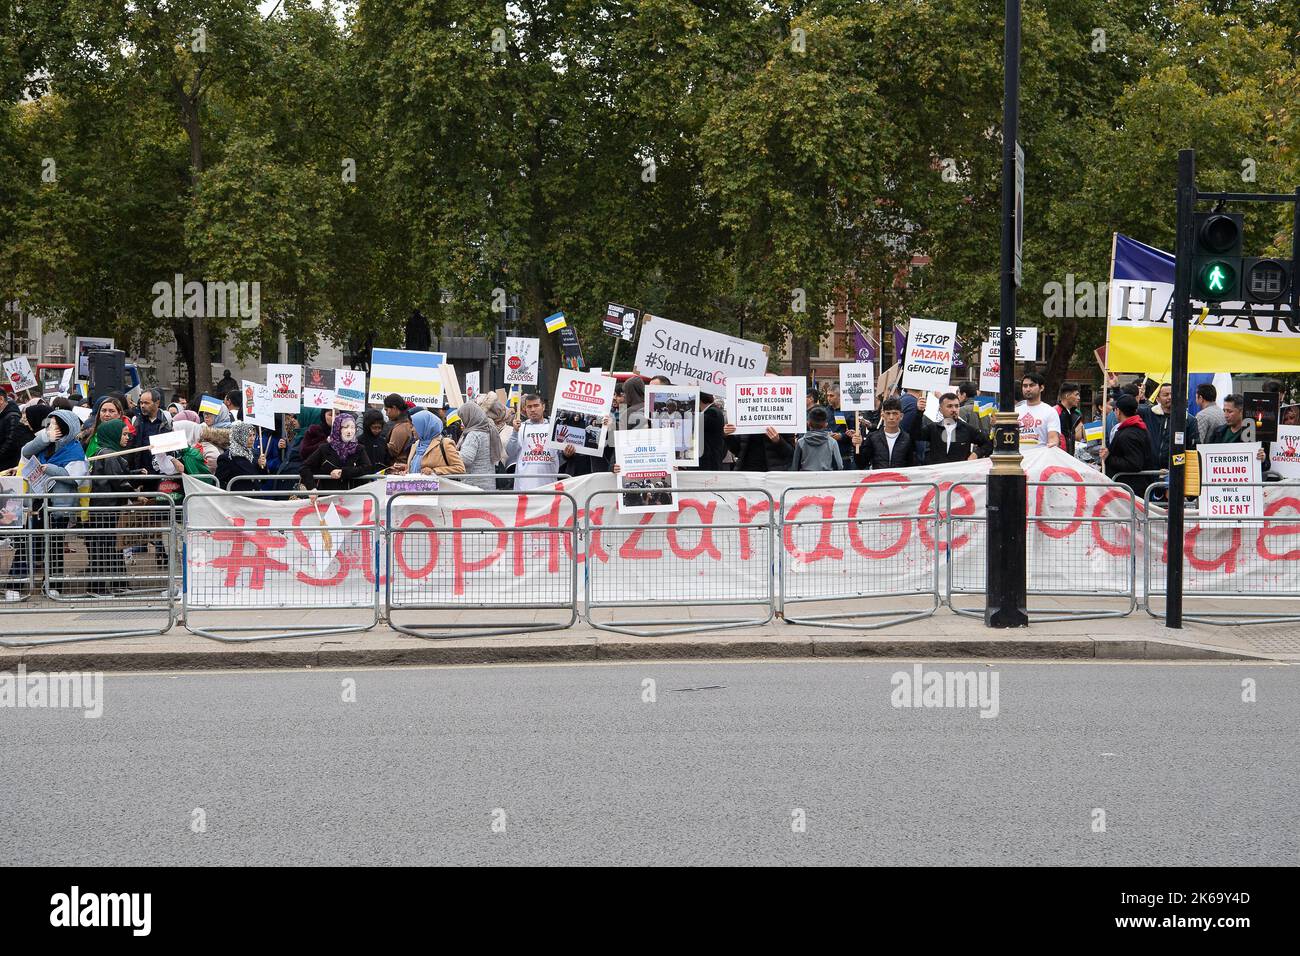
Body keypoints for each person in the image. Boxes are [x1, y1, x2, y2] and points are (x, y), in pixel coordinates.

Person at [85, 419, 133, 595]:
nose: (127, 438)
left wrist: (134, 474)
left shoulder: (105, 452)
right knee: (104, 548)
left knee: (106, 548)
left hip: (103, 507)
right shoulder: (109, 454)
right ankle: (97, 587)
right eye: (124, 434)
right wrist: (136, 492)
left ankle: (111, 584)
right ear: (113, 434)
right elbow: (118, 481)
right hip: (107, 508)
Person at [908, 392, 992, 464]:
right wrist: (919, 412)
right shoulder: (933, 428)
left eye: (956, 406)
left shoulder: (967, 429)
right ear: (941, 409)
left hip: (959, 477)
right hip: (937, 477)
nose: (954, 409)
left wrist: (975, 454)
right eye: (949, 406)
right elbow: (916, 435)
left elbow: (987, 444)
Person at [300, 412, 372, 492]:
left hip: (351, 498)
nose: (349, 431)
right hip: (327, 498)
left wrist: (344, 472)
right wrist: (312, 488)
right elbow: (305, 467)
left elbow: (367, 468)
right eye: (345, 427)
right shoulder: (325, 448)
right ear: (337, 428)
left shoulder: (359, 449)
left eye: (352, 427)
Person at [506, 393, 562, 490]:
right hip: (525, 486)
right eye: (529, 406)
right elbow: (511, 452)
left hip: (549, 486)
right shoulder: (520, 428)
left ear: (543, 407)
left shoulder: (553, 428)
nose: (533, 410)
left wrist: (567, 453)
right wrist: (515, 432)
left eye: (536, 406)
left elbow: (561, 455)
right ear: (525, 409)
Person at [1101, 394, 1154, 495]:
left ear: (1118, 411)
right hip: (1132, 487)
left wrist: (1109, 457)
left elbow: (1134, 464)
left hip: (1129, 489)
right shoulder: (1138, 428)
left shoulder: (1129, 434)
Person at [1139, 382, 1196, 469]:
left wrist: (1178, 466)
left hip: (1175, 472)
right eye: (1166, 395)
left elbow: (1192, 448)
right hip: (1149, 471)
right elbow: (1128, 408)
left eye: (1172, 394)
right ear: (1157, 398)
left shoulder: (1188, 419)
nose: (1170, 397)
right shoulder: (1148, 414)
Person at [1207, 394, 1271, 472]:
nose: (1226, 415)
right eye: (1224, 411)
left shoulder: (1256, 434)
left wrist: (1262, 460)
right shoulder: (1218, 432)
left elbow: (1267, 465)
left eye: (1230, 411)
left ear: (1242, 411)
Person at [853, 397, 914, 469]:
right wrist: (858, 447)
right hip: (879, 479)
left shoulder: (908, 439)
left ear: (901, 416)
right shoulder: (873, 438)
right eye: (888, 413)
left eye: (895, 413)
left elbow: (911, 467)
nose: (891, 417)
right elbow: (861, 464)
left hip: (900, 479)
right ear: (883, 415)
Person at [125, 387, 173, 475]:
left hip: (162, 472)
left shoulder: (167, 421)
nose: (142, 406)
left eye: (146, 403)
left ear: (157, 403)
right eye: (141, 403)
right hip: (142, 471)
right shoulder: (136, 421)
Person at [455, 402, 503, 479]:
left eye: (463, 418)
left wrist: (450, 453)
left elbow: (466, 459)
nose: (462, 422)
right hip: (488, 480)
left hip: (473, 484)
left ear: (470, 417)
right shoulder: (488, 430)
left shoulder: (473, 435)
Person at [215, 421, 268, 489]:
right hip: (239, 498)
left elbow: (263, 480)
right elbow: (219, 484)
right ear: (239, 437)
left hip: (255, 497)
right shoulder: (227, 457)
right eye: (249, 436)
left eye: (253, 435)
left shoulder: (255, 453)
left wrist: (263, 467)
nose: (252, 439)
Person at [724, 423, 795, 472]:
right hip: (747, 473)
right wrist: (728, 436)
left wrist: (778, 441)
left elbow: (790, 453)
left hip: (772, 476)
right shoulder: (744, 422)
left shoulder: (784, 424)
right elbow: (737, 451)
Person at [1015, 372, 1061, 448]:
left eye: (1032, 385)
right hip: (1018, 458)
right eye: (1025, 386)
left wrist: (1053, 444)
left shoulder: (1050, 411)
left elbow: (1053, 438)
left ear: (1041, 388)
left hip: (1039, 458)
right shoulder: (1015, 411)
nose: (1028, 389)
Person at [790, 407, 843, 472]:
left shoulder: (800, 442)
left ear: (808, 423)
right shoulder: (832, 442)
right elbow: (839, 466)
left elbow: (795, 467)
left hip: (805, 479)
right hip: (826, 479)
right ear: (826, 424)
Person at [413, 410, 464, 475]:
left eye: (415, 426)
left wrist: (434, 471)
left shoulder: (445, 443)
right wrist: (406, 469)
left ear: (424, 426)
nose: (412, 429)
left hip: (438, 485)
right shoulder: (417, 444)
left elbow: (460, 468)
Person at [383, 394, 416, 469]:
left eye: (386, 410)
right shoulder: (406, 423)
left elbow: (392, 451)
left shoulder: (401, 427)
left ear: (394, 408)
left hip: (398, 469)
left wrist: (379, 443)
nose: (386, 414)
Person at [696, 392, 727, 471]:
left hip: (709, 460)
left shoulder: (712, 412)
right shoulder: (713, 411)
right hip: (710, 458)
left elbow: (697, 424)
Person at [1053, 382, 1084, 455]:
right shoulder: (1054, 412)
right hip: (1059, 456)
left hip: (1068, 455)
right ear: (1067, 396)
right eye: (1076, 395)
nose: (1079, 398)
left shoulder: (1074, 413)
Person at [0, 389, 24, 471]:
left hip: (8, 466)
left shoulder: (12, 417)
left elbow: (11, 442)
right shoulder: (3, 415)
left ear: (1, 400)